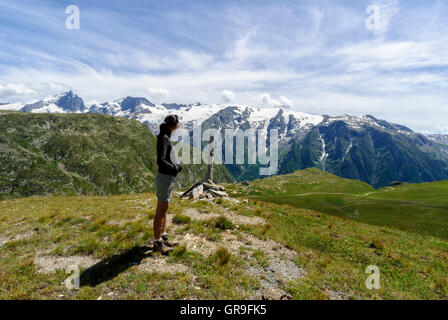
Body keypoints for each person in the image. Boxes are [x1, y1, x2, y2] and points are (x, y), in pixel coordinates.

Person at [153, 115, 182, 254]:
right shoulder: (164, 139)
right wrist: (175, 168)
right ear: (175, 125)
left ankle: (163, 237)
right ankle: (157, 242)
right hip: (165, 178)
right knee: (160, 211)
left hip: (167, 178)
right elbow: (161, 161)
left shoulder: (164, 136)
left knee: (164, 209)